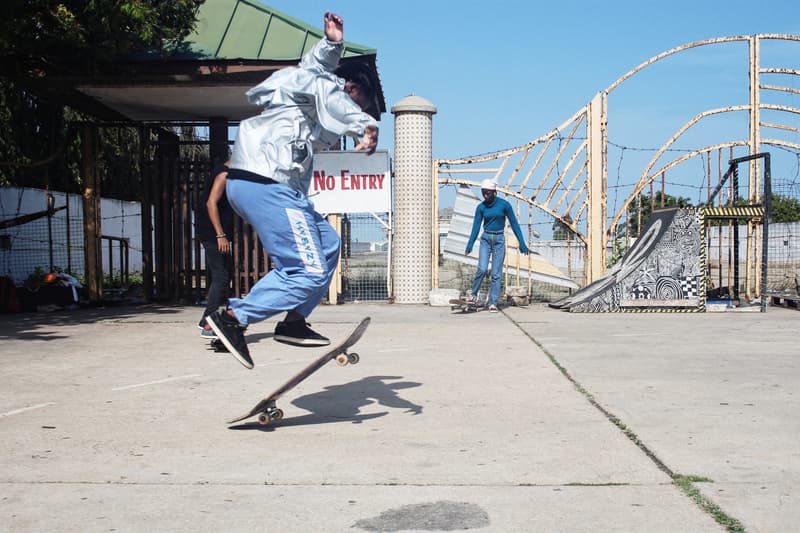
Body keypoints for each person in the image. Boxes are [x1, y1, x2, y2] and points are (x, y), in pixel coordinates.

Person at [206, 12, 379, 369]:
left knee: (329, 246)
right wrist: (363, 123)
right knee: (309, 271)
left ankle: (294, 322)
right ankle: (233, 319)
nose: (355, 111)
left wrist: (332, 44)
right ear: (352, 89)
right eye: (358, 103)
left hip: (266, 186)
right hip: (267, 183)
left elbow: (314, 64)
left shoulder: (304, 84)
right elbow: (329, 90)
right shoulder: (324, 88)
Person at [464, 179, 529, 313]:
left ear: (494, 192)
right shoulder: (481, 207)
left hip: (499, 239)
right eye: (483, 193)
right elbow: (476, 226)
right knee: (482, 269)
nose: (485, 196)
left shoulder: (504, 205)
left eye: (488, 193)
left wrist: (521, 242)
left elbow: (514, 224)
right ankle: (473, 295)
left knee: (496, 274)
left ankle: (493, 303)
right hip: (486, 239)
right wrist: (470, 243)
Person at [196, 160, 233, 338]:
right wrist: (220, 235)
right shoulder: (224, 175)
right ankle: (209, 322)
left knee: (226, 275)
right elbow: (211, 203)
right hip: (213, 234)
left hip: (215, 232)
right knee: (221, 276)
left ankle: (208, 320)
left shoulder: (225, 172)